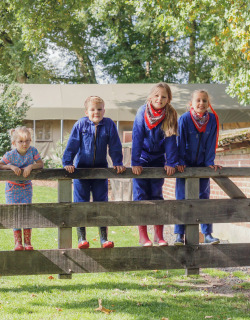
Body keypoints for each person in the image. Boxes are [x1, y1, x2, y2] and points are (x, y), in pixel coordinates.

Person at [62, 96, 125, 249]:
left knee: (101, 203)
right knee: (80, 204)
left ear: (104, 110)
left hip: (100, 172)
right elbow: (73, 144)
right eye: (92, 109)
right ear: (86, 111)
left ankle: (104, 239)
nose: (96, 112)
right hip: (81, 172)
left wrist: (117, 162)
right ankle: (81, 238)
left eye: (99, 109)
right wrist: (68, 162)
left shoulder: (109, 124)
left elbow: (115, 145)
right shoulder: (81, 125)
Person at [131, 82, 178, 247]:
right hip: (142, 158)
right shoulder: (142, 112)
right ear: (150, 97)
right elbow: (136, 137)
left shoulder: (170, 114)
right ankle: (143, 236)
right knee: (140, 195)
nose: (159, 99)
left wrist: (171, 162)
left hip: (158, 158)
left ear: (168, 99)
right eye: (156, 95)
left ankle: (159, 235)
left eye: (164, 96)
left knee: (157, 195)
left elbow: (171, 140)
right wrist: (135, 162)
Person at [174, 89, 222, 245]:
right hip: (185, 166)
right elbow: (180, 142)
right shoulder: (184, 119)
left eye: (204, 101)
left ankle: (207, 234)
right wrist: (180, 161)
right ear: (191, 104)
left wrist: (209, 162)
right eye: (198, 100)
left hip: (202, 165)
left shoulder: (212, 120)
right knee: (181, 199)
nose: (201, 103)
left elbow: (211, 143)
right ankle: (179, 235)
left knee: (204, 199)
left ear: (209, 104)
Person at [0, 126, 44, 251]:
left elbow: (40, 164)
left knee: (26, 212)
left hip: (26, 187)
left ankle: (28, 242)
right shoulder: (10, 155)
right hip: (12, 188)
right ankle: (18, 242)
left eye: (27, 140)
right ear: (14, 143)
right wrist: (10, 166)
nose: (24, 144)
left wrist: (31, 167)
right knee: (15, 213)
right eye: (21, 141)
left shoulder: (32, 151)